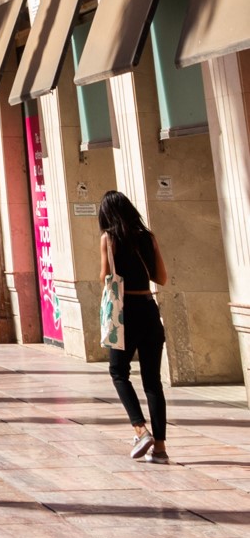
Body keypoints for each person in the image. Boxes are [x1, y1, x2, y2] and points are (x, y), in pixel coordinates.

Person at [99, 190, 170, 464]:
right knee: (153, 381)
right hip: (149, 309)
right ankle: (160, 449)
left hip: (124, 314)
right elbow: (161, 277)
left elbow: (104, 276)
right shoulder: (148, 238)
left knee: (118, 372)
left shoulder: (109, 239)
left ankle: (140, 430)